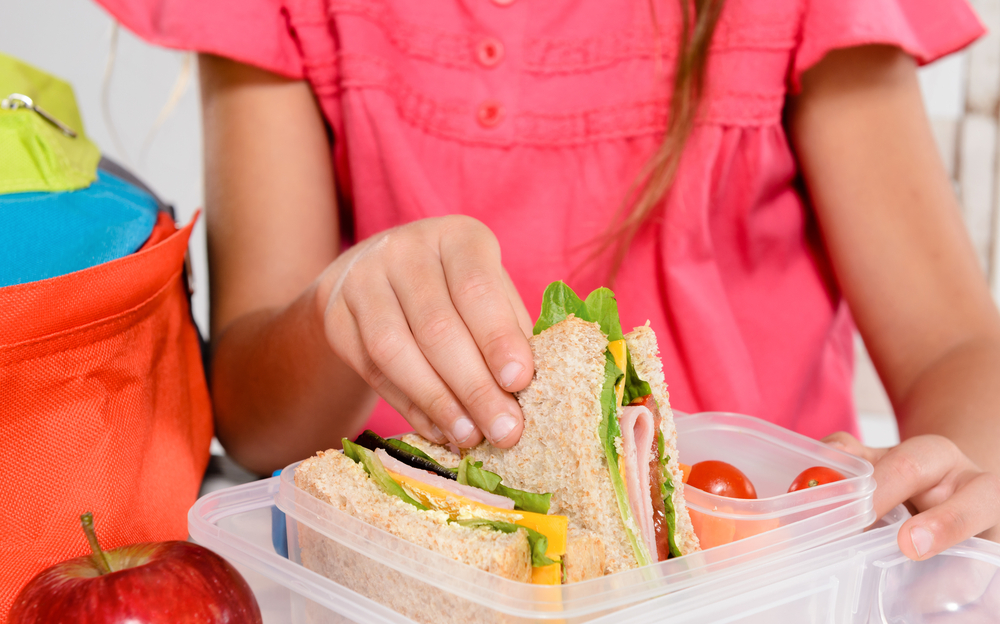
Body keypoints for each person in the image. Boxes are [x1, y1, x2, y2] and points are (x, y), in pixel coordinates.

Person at [97, 0, 1000, 560]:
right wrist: (340, 307)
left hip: (758, 586)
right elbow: (255, 426)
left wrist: (948, 484)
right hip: (409, 586)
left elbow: (955, 348)